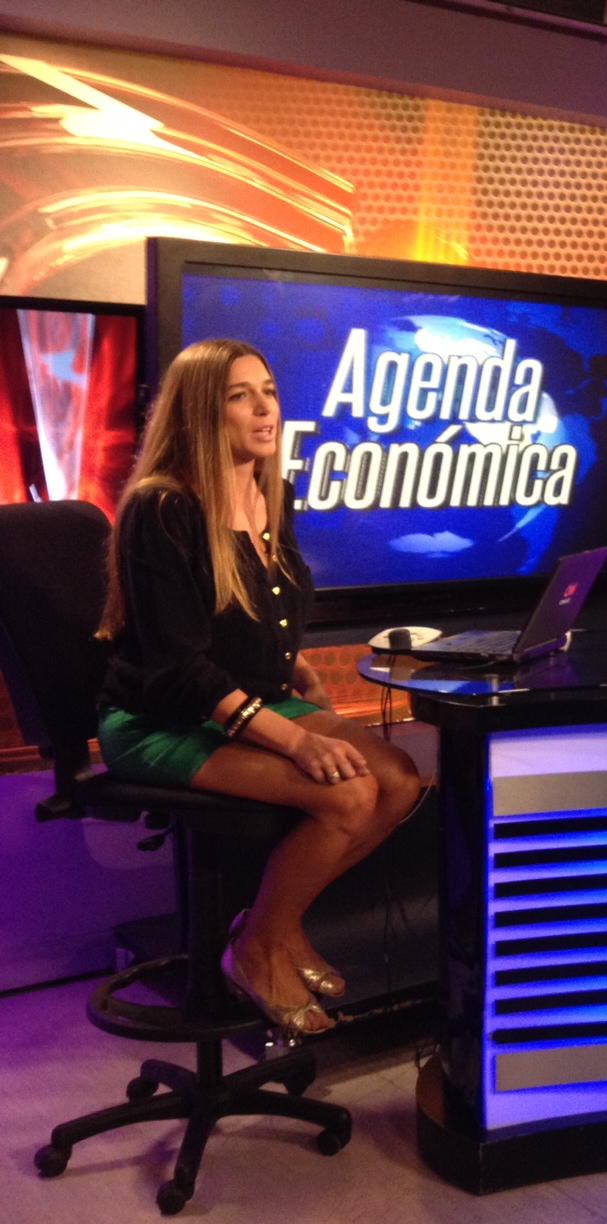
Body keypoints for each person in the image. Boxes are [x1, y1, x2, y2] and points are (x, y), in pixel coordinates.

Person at [96, 338, 421, 1040]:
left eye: (268, 390)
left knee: (398, 781)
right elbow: (180, 667)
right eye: (240, 396)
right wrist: (297, 737)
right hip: (163, 720)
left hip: (250, 698)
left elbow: (258, 612)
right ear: (200, 415)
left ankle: (272, 927)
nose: (264, 407)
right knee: (348, 792)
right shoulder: (163, 507)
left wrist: (293, 669)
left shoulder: (273, 492)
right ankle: (257, 950)